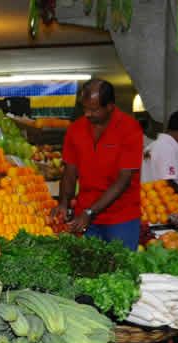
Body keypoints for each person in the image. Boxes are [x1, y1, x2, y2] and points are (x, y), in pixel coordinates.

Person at [54, 79, 144, 249]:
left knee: (121, 264)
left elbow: (123, 180)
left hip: (121, 219)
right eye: (84, 108)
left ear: (109, 106)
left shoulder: (129, 129)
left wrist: (90, 212)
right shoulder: (75, 129)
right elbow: (70, 172)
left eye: (93, 109)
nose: (87, 114)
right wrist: (64, 203)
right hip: (84, 216)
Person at [142, 109, 178, 192]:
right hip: (163, 199)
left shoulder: (153, 146)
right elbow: (167, 183)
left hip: (150, 197)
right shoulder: (167, 148)